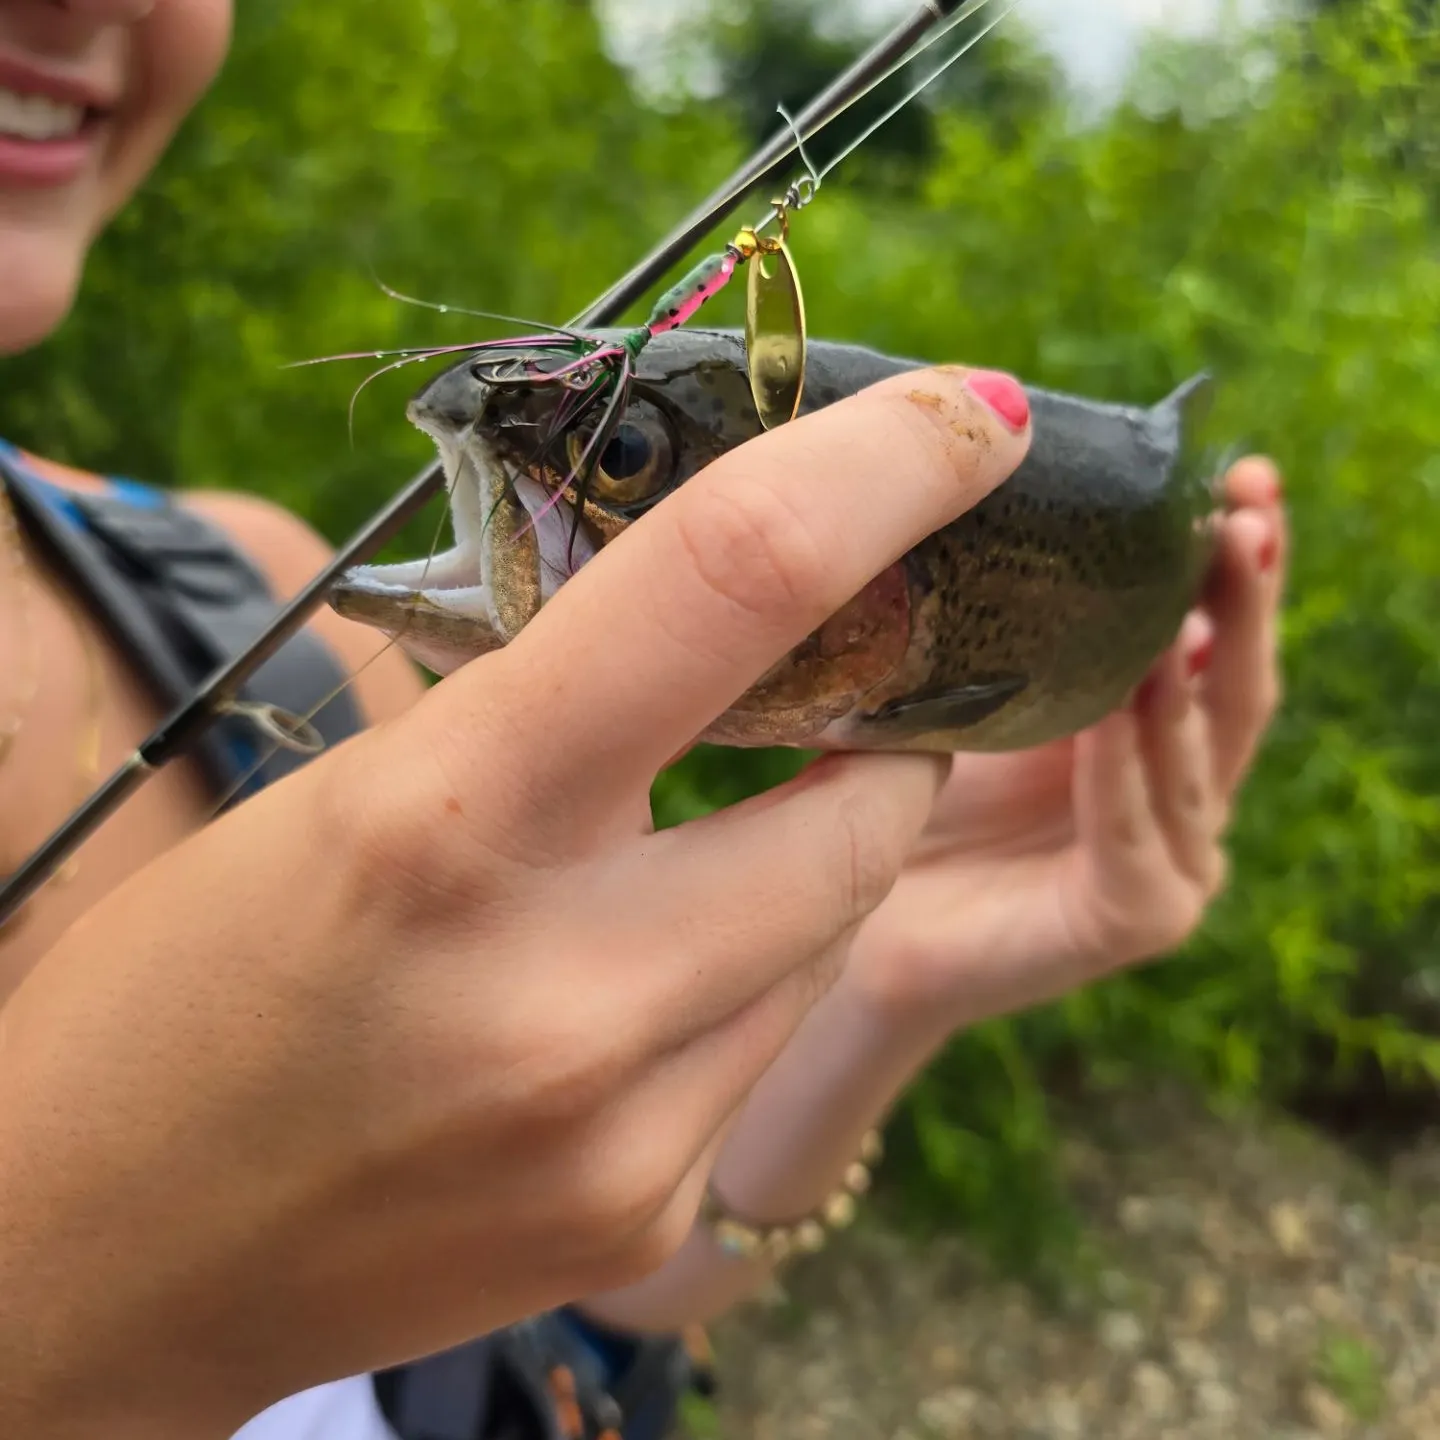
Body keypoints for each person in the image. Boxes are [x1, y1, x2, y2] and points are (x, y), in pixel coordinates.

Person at [0, 3, 1288, 1438]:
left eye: (616, 455)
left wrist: (867, 990)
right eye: (620, 458)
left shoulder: (253, 615)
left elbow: (513, 1299)